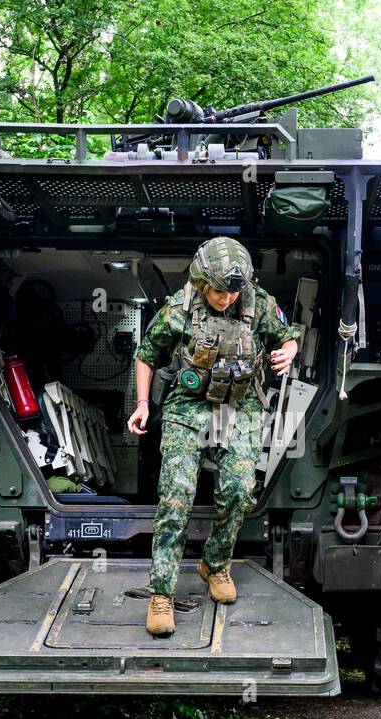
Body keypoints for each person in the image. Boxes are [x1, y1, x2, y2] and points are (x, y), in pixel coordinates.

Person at [129, 238, 301, 635]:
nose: (226, 298)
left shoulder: (256, 303)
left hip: (241, 404)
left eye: (233, 291)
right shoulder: (179, 309)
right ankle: (160, 593)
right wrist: (142, 403)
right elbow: (146, 355)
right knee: (176, 496)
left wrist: (288, 351)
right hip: (189, 403)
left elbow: (286, 335)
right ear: (201, 281)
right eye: (219, 290)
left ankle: (215, 563)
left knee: (240, 490)